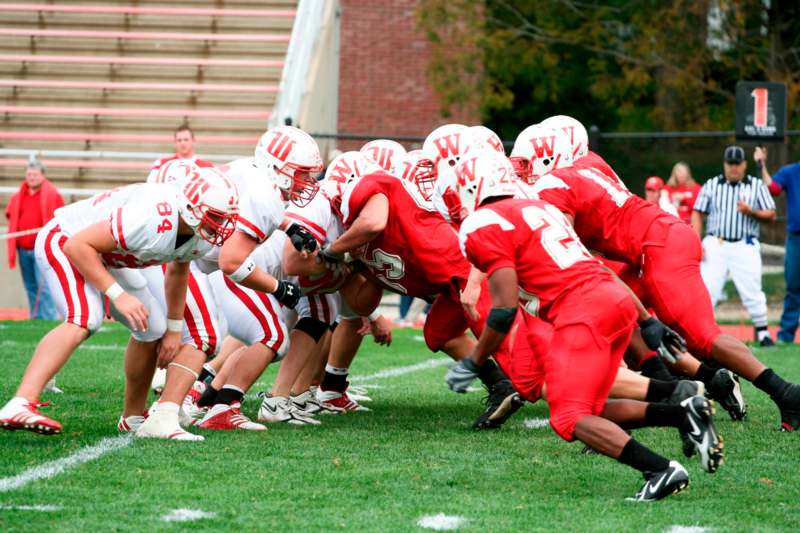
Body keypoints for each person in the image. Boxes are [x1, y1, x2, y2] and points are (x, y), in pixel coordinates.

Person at [451, 149, 722, 501]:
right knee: (591, 404)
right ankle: (681, 413)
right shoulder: (543, 210)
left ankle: (660, 469)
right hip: (614, 299)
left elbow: (502, 311)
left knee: (569, 417)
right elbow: (593, 267)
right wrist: (647, 321)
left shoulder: (482, 223)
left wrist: (474, 362)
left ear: (471, 188)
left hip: (582, 312)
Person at [515, 118, 800, 432]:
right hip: (652, 244)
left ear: (547, 157)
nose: (522, 171)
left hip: (657, 247)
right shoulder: (591, 164)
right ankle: (675, 388)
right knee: (607, 312)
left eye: (527, 163)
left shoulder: (554, 184)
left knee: (704, 338)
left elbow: (566, 247)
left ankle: (785, 393)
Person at [0, 170, 240, 436]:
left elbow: (178, 271)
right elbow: (77, 246)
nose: (221, 226)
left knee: (152, 327)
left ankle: (132, 416)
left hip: (106, 255)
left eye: (225, 218)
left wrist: (174, 329)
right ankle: (20, 402)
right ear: (192, 207)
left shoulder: (195, 231)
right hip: (66, 239)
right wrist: (116, 294)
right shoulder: (153, 215)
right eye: (216, 217)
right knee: (85, 317)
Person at [692, 145, 776, 347]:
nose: (734, 168)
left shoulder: (756, 185)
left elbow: (771, 214)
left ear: (745, 165)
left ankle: (763, 333)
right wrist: (696, 240)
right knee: (707, 289)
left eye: (737, 164)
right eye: (730, 164)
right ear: (725, 164)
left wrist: (751, 211)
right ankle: (703, 331)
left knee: (752, 288)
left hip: (744, 243)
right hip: (716, 242)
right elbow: (697, 212)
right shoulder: (712, 185)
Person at [5, 160, 62, 319]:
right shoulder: (18, 196)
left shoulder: (53, 194)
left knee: (44, 287)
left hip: (42, 249)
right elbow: (10, 214)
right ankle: (35, 317)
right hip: (23, 249)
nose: (31, 178)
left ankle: (49, 318)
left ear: (43, 176)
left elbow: (60, 217)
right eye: (29, 174)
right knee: (30, 286)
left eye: (35, 174)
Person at [754, 146, 800, 343]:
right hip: (796, 238)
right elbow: (773, 188)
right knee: (793, 285)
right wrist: (762, 165)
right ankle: (786, 335)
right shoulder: (791, 171)